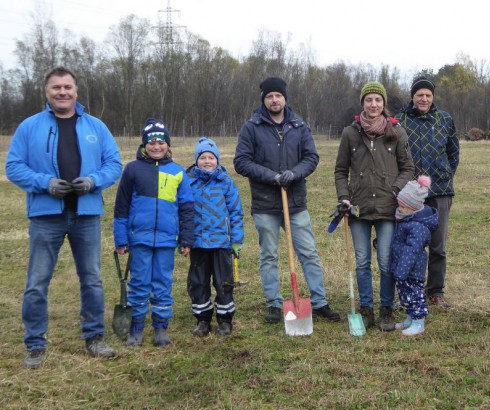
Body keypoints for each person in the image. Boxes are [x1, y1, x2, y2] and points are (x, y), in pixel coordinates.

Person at [6, 66, 122, 369]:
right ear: (47, 91)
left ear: (76, 91)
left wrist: (93, 181)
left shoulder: (96, 127)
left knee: (93, 280)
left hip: (86, 215)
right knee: (36, 281)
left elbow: (114, 164)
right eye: (56, 87)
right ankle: (34, 344)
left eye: (67, 87)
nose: (62, 92)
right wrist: (44, 183)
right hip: (46, 216)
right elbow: (14, 166)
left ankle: (95, 337)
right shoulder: (30, 127)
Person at [234, 76, 340, 324]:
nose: (274, 100)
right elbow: (241, 162)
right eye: (270, 96)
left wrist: (295, 173)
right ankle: (273, 303)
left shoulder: (298, 126)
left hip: (294, 201)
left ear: (284, 98)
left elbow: (311, 157)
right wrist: (272, 177)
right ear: (264, 99)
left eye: (278, 96)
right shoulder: (252, 126)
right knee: (269, 254)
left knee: (309, 252)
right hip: (265, 203)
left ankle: (319, 301)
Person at [335, 81, 415, 331]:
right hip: (358, 208)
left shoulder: (397, 132)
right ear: (363, 104)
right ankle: (366, 309)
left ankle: (386, 310)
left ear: (384, 104)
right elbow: (340, 170)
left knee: (386, 260)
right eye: (369, 100)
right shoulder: (350, 133)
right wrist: (344, 197)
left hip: (387, 208)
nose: (373, 104)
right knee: (361, 262)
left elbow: (408, 168)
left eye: (378, 100)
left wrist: (394, 189)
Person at [113, 118, 194, 347]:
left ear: (168, 145)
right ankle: (136, 327)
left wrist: (187, 238)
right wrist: (121, 238)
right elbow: (121, 207)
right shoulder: (132, 170)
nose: (156, 146)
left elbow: (187, 209)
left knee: (162, 282)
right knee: (139, 283)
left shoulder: (178, 173)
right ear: (144, 145)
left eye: (161, 142)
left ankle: (160, 327)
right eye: (151, 142)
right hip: (139, 239)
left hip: (168, 240)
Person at [395, 75, 459, 308]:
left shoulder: (445, 119)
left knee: (438, 244)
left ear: (433, 98)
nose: (424, 99)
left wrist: (444, 174)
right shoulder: (399, 120)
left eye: (428, 95)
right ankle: (408, 289)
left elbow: (454, 153)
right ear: (412, 96)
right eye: (420, 94)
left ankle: (435, 291)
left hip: (440, 190)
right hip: (410, 193)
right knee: (410, 242)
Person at [186, 137, 245, 337]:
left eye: (211, 157)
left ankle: (225, 320)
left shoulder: (226, 183)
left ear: (218, 160)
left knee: (223, 282)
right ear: (196, 160)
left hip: (221, 243)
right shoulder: (188, 182)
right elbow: (183, 212)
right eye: (203, 157)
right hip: (198, 243)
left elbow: (236, 212)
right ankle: (203, 319)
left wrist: (236, 239)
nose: (207, 161)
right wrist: (184, 239)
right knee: (198, 282)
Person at [391, 175, 439, 336]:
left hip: (412, 269)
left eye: (403, 207)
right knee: (405, 294)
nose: (400, 209)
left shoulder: (418, 227)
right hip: (402, 267)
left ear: (414, 207)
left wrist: (402, 270)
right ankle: (410, 317)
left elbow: (412, 250)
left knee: (415, 294)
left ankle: (419, 321)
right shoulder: (406, 220)